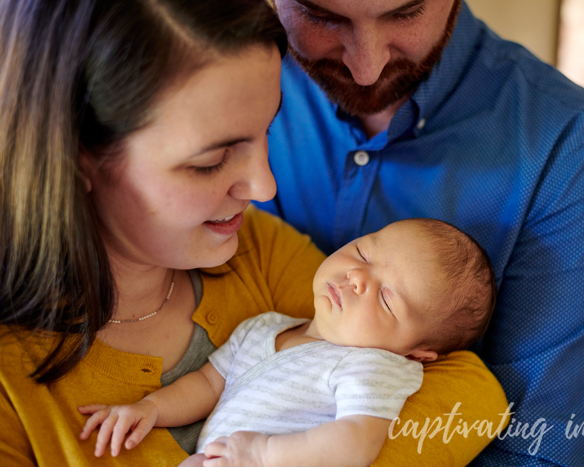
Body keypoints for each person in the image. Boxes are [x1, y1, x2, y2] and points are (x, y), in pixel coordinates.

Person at [0, 1, 507, 466]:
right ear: (74, 159)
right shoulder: (11, 386)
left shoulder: (255, 248)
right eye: (212, 160)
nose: (265, 186)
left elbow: (473, 393)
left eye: (268, 130)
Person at [258, 0, 584, 465]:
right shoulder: (220, 70)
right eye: (322, 16)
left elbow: (533, 450)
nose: (366, 67)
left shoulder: (568, 149)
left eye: (405, 13)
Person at [78, 218, 498, 467]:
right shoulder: (265, 327)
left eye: (386, 298)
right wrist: (151, 408)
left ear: (415, 353)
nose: (357, 278)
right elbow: (208, 385)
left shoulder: (374, 365)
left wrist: (263, 454)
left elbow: (357, 442)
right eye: (363, 254)